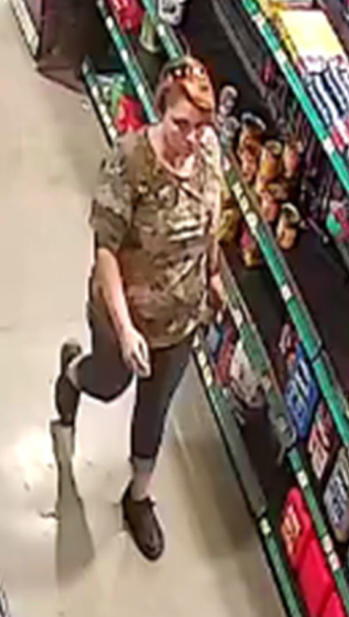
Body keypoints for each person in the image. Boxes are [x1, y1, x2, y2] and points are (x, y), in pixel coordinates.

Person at [53, 55, 226, 561]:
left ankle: (138, 497)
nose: (192, 138)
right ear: (160, 111)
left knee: (155, 408)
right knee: (110, 386)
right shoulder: (129, 161)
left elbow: (211, 219)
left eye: (202, 126)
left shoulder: (210, 153)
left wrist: (213, 275)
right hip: (121, 318)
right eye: (182, 125)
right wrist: (125, 329)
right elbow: (105, 250)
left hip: (181, 320)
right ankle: (71, 372)